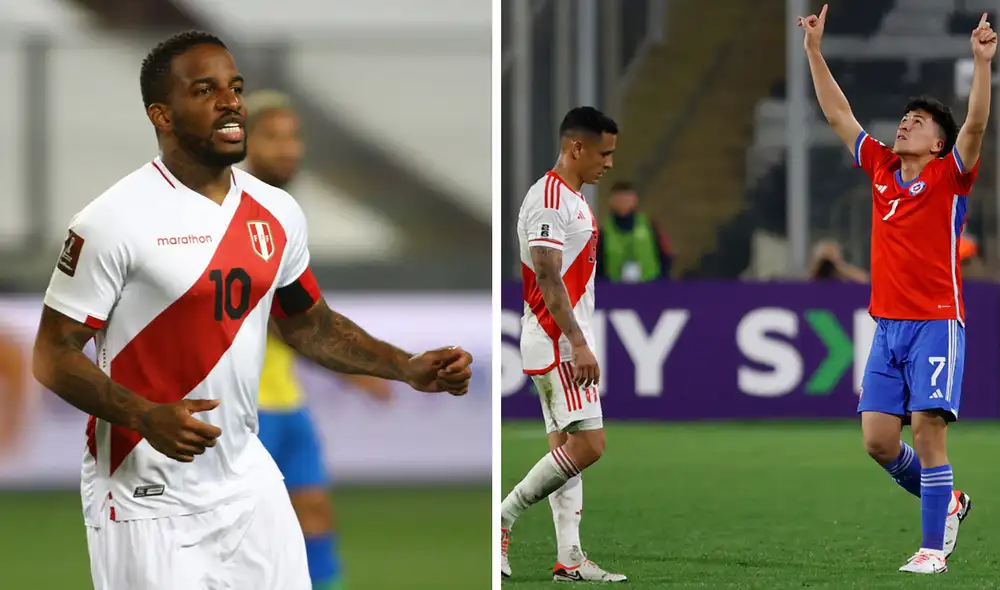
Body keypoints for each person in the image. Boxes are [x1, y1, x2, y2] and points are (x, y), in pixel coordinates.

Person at [30, 30, 473, 590]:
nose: (230, 100)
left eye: (235, 87)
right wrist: (143, 414)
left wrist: (405, 365)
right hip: (145, 491)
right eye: (206, 90)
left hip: (248, 481)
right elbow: (51, 355)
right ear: (162, 115)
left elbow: (311, 326)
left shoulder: (276, 211)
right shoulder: (111, 221)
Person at [800, 5, 993, 574]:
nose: (906, 123)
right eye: (905, 116)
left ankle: (933, 549)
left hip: (937, 320)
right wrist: (813, 51)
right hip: (888, 326)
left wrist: (981, 63)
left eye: (919, 121)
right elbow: (838, 114)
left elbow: (976, 125)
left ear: (939, 144)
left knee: (928, 431)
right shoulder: (882, 168)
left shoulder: (950, 175)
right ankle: (950, 501)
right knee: (880, 442)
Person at [244, 89, 393, 590]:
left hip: (286, 403)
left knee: (315, 517)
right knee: (250, 534)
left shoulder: (282, 216)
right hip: (241, 409)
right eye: (273, 137)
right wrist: (355, 369)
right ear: (243, 142)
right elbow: (281, 318)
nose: (288, 148)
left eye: (294, 137)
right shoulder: (229, 215)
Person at [500, 106, 627, 583]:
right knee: (590, 445)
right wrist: (577, 342)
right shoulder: (550, 198)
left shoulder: (571, 196)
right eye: (603, 153)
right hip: (557, 341)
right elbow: (548, 276)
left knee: (566, 452)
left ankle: (569, 558)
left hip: (560, 338)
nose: (609, 163)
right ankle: (502, 517)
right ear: (576, 147)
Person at [596, 180, 673, 282]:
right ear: (611, 202)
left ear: (635, 200)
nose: (623, 203)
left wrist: (662, 282)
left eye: (627, 198)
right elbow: (597, 264)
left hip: (651, 288)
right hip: (615, 291)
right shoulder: (605, 232)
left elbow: (666, 256)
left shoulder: (650, 226)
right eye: (619, 199)